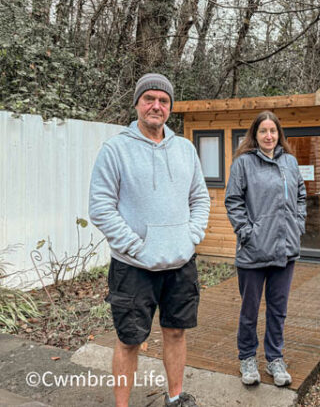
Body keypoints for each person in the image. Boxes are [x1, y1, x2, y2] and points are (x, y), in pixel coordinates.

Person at [89, 73, 210, 407]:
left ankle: (174, 398)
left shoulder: (185, 149)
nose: (156, 106)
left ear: (170, 107)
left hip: (180, 264)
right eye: (149, 99)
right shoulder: (115, 150)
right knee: (129, 340)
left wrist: (191, 238)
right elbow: (101, 207)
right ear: (138, 103)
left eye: (163, 100)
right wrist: (136, 246)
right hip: (133, 268)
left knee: (175, 332)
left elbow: (200, 199)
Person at [224, 110, 306, 387]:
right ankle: (247, 357)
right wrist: (247, 233)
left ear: (279, 134)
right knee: (250, 310)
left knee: (278, 309)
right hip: (253, 251)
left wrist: (298, 225)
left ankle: (274, 358)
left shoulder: (290, 163)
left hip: (285, 250)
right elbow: (233, 201)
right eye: (263, 131)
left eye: (273, 131)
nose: (269, 136)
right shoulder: (243, 164)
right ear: (255, 135)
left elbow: (301, 196)